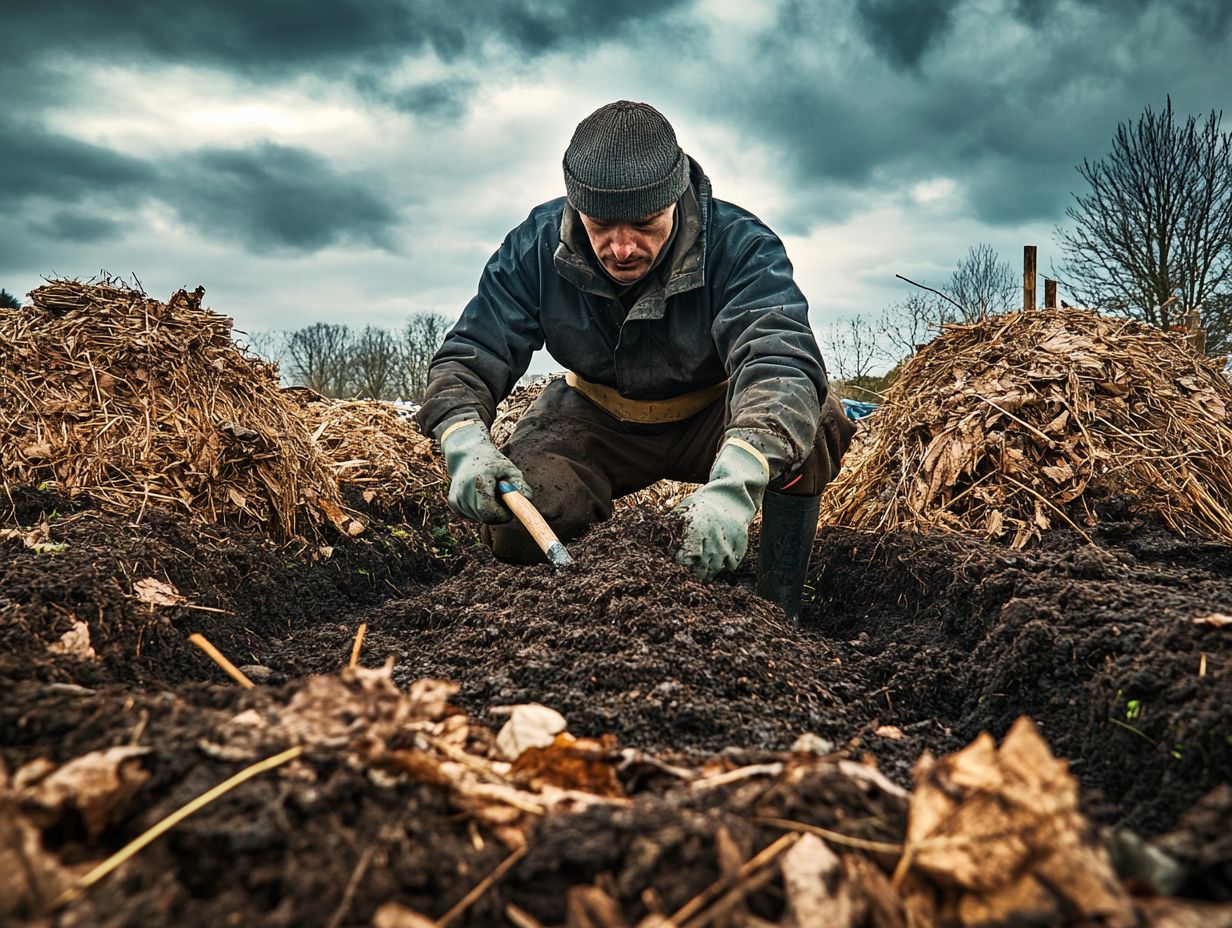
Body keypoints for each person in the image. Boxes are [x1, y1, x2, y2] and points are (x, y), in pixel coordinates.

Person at [416, 100, 854, 622]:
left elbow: (780, 363)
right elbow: (472, 352)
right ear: (575, 208)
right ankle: (569, 617)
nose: (622, 249)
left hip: (714, 416)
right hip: (593, 415)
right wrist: (462, 436)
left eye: (645, 224)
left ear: (676, 200)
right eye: (601, 224)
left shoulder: (741, 246)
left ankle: (780, 607)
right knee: (522, 519)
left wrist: (737, 485)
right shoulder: (533, 247)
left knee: (818, 420)